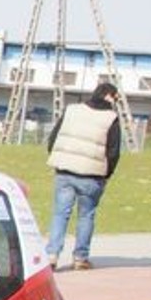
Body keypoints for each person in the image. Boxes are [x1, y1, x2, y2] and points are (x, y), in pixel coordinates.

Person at [44, 79, 123, 271]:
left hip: (65, 170)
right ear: (109, 96)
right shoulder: (110, 118)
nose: (116, 103)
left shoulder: (72, 110)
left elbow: (53, 138)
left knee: (60, 214)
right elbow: (113, 151)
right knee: (86, 215)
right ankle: (80, 258)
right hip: (92, 175)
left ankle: (52, 255)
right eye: (116, 98)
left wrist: (58, 158)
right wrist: (107, 174)